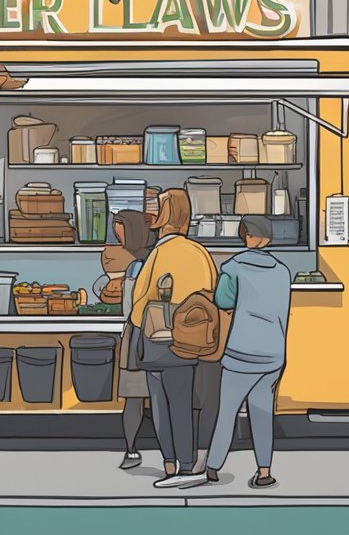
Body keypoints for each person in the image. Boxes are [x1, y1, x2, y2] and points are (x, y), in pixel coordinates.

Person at [193, 216, 291, 489]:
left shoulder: (233, 267)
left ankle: (213, 467)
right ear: (268, 239)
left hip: (241, 352)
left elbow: (223, 300)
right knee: (262, 412)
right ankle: (264, 471)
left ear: (245, 236)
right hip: (273, 352)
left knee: (228, 410)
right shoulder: (282, 271)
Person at [129, 188, 217, 489]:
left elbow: (139, 302)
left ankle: (175, 465)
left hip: (160, 341)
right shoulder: (200, 252)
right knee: (185, 403)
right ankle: (189, 462)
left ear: (165, 215)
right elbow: (212, 294)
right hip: (195, 340)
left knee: (162, 405)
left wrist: (142, 321)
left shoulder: (160, 253)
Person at [103, 210, 153, 470]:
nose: (116, 235)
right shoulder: (158, 258)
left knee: (134, 397)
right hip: (161, 338)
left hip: (137, 338)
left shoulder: (136, 266)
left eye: (119, 228)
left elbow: (128, 308)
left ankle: (132, 450)